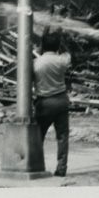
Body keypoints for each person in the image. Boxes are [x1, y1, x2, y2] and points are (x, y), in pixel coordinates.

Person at [33, 30, 71, 177]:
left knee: (38, 136)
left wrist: (38, 49)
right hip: (61, 101)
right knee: (62, 137)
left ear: (42, 45)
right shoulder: (62, 60)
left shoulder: (36, 63)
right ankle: (61, 169)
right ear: (57, 46)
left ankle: (36, 166)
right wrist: (61, 45)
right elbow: (67, 53)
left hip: (44, 103)